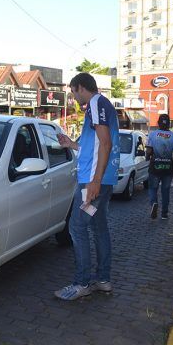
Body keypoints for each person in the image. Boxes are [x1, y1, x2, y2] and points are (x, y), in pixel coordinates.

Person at [54, 72, 120, 301]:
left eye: (73, 92)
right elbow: (94, 147)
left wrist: (95, 182)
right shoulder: (99, 106)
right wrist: (71, 144)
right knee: (98, 228)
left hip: (92, 184)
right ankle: (103, 280)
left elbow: (106, 143)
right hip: (101, 180)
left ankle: (82, 283)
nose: (73, 98)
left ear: (80, 87)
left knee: (77, 228)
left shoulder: (96, 103)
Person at [146, 114, 173, 220]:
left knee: (152, 188)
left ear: (158, 123)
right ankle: (164, 214)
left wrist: (147, 156)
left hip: (155, 167)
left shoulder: (152, 135)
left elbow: (149, 150)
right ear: (169, 124)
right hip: (168, 168)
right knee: (165, 191)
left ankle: (154, 203)